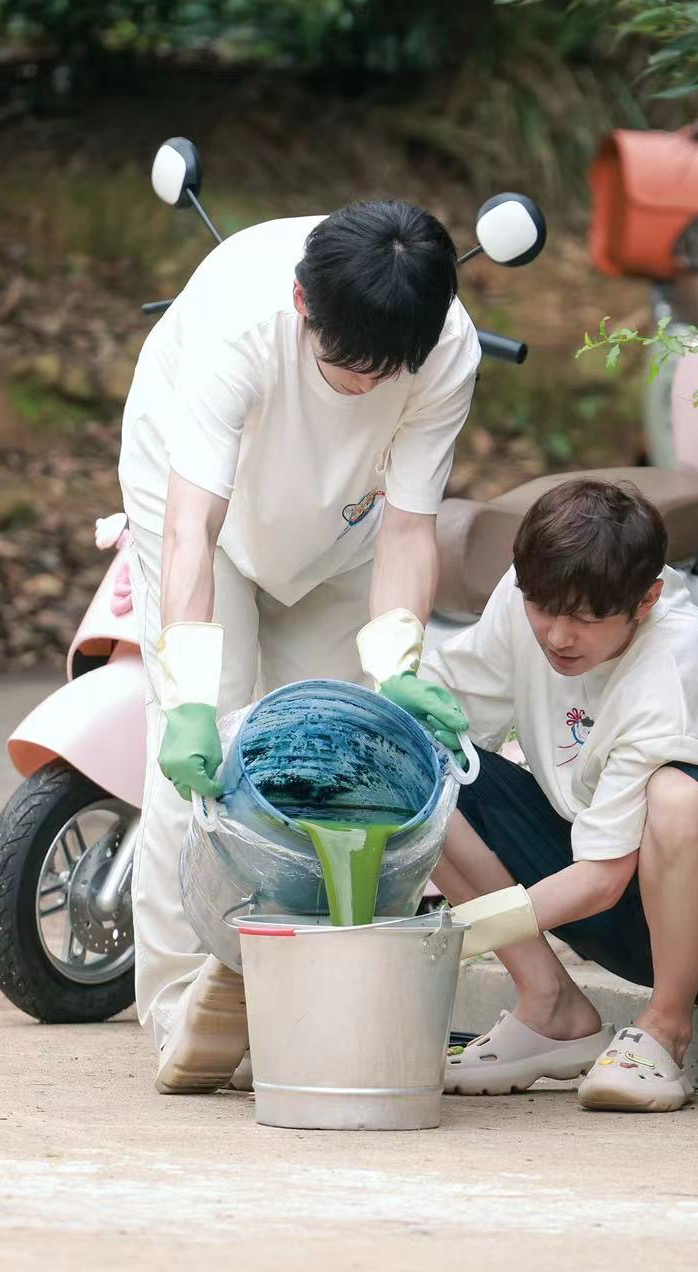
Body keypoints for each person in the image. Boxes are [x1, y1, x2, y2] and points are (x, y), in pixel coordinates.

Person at [118, 200, 480, 1093]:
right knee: (201, 756)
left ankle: (300, 992)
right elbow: (194, 531)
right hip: (195, 502)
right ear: (300, 305)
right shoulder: (240, 327)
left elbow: (409, 526)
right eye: (343, 364)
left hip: (347, 527)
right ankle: (176, 1010)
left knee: (343, 759)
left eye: (384, 372)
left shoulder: (444, 349)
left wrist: (398, 662)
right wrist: (193, 695)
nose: (362, 387)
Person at [388, 478, 698, 1113]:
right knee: (415, 758)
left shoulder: (678, 665)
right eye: (544, 609)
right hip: (602, 878)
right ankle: (550, 1006)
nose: (558, 635)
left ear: (646, 601)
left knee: (677, 793)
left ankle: (667, 1027)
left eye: (586, 619)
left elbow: (603, 879)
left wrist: (445, 938)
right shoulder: (533, 594)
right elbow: (448, 703)